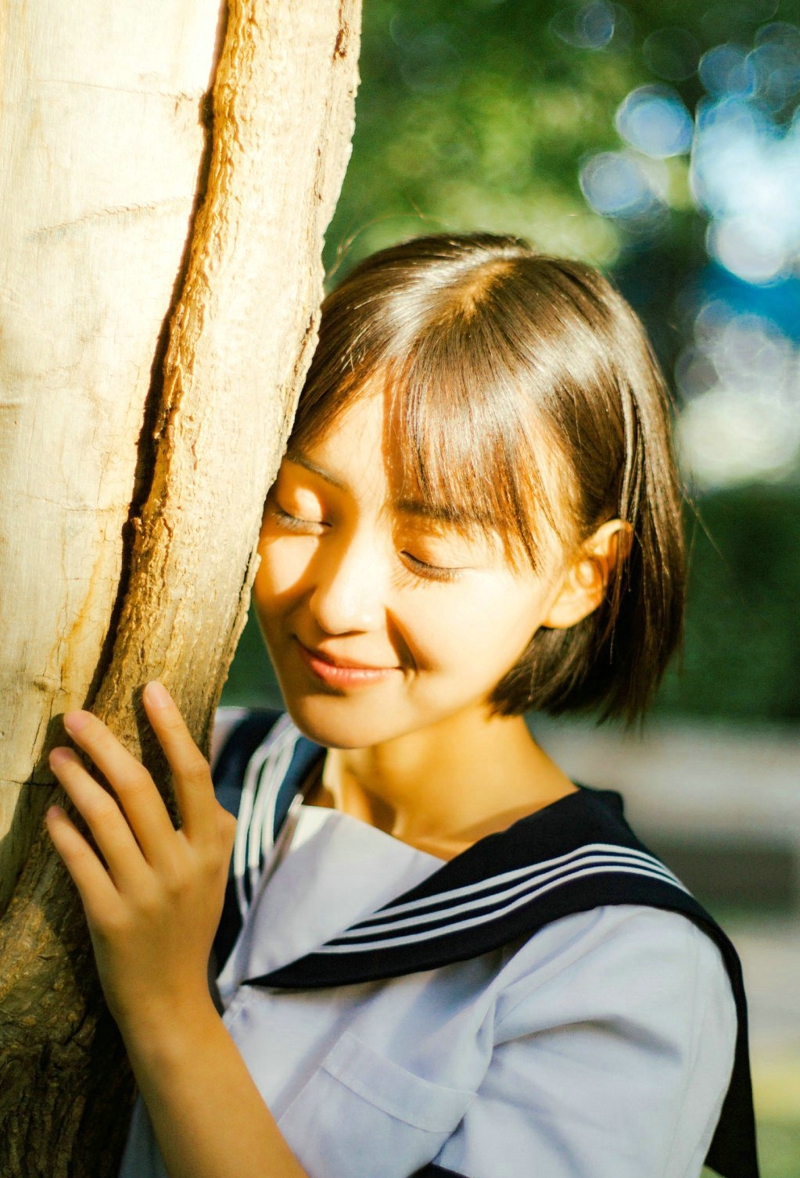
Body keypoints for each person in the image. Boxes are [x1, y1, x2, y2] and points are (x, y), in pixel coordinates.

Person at [46, 234, 758, 1178]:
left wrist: (171, 1010)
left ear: (582, 577)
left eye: (429, 554)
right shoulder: (184, 781)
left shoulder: (615, 964)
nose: (334, 602)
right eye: (299, 509)